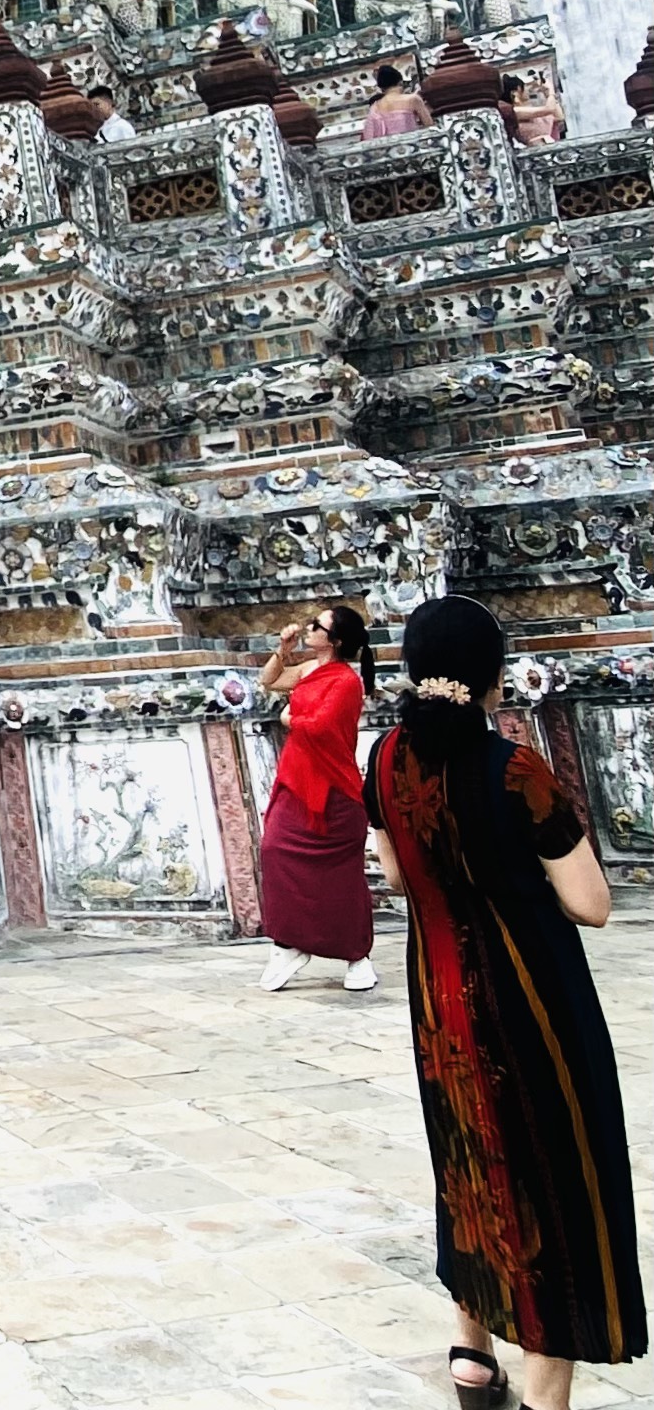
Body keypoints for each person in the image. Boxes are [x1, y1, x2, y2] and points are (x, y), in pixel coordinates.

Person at [364, 596, 644, 1410]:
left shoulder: (380, 761)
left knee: (468, 1160)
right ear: (491, 676)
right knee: (554, 1179)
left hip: (438, 1002)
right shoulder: (513, 770)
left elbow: (390, 877)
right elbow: (590, 902)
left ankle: (470, 1352)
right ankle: (546, 1399)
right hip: (532, 1006)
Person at [256, 605, 378, 992]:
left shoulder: (345, 681)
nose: (310, 628)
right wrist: (284, 648)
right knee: (275, 850)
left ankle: (356, 955)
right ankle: (289, 942)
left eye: (317, 626)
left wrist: (290, 720)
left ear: (335, 640)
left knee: (341, 877)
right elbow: (270, 681)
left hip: (334, 787)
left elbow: (323, 726)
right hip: (298, 778)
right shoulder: (309, 669)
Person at [361, 63, 434, 139]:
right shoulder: (413, 99)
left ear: (381, 88)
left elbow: (369, 136)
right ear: (400, 82)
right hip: (411, 144)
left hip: (387, 148)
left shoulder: (375, 107)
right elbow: (429, 127)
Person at [501, 74, 564, 145]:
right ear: (518, 90)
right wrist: (551, 91)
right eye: (525, 87)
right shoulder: (515, 112)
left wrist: (547, 94)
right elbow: (549, 109)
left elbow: (559, 116)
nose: (528, 90)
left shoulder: (527, 109)